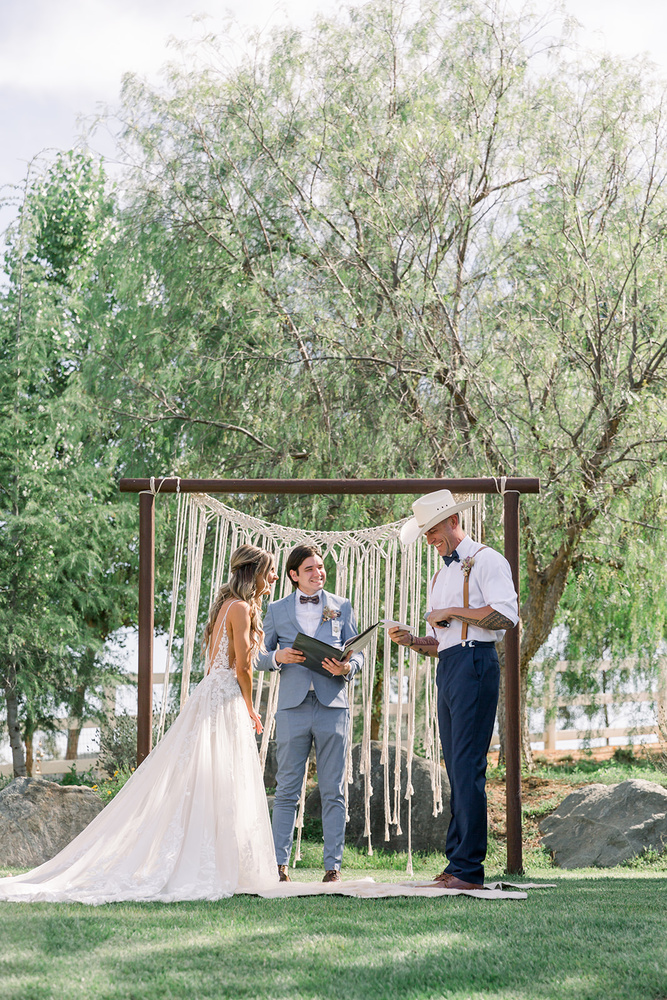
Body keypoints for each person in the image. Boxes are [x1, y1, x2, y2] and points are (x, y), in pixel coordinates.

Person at [0, 544, 280, 904]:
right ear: (254, 573)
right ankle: (212, 864)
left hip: (209, 695)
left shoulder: (224, 606)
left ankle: (216, 859)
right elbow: (242, 666)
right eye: (270, 570)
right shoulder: (241, 608)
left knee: (209, 779)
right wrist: (250, 708)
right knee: (219, 778)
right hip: (223, 700)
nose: (272, 577)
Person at [389, 489, 518, 891]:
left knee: (468, 766)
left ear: (453, 521)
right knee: (456, 769)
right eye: (424, 533)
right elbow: (440, 642)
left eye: (432, 530)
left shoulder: (486, 559)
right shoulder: (440, 574)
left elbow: (505, 617)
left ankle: (468, 870)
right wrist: (410, 639)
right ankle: (456, 861)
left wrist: (450, 612)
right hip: (450, 666)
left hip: (477, 663)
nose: (429, 539)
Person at [257, 544, 363, 883]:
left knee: (333, 789)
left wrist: (347, 667)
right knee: (287, 789)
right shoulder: (275, 609)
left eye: (321, 567)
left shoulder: (341, 606)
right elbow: (257, 654)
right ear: (293, 575)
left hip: (334, 706)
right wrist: (278, 658)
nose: (318, 573)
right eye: (310, 569)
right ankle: (279, 866)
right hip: (292, 707)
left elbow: (358, 652)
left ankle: (333, 868)